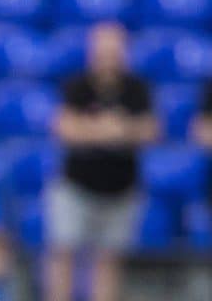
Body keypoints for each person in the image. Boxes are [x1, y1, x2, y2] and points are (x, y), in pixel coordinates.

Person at [46, 22, 159, 301]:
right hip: (76, 187)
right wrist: (106, 130)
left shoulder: (137, 88)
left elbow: (152, 130)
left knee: (108, 261)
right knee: (63, 253)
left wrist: (121, 130)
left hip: (121, 190)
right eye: (103, 50)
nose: (108, 56)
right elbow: (63, 127)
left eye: (114, 50)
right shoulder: (77, 85)